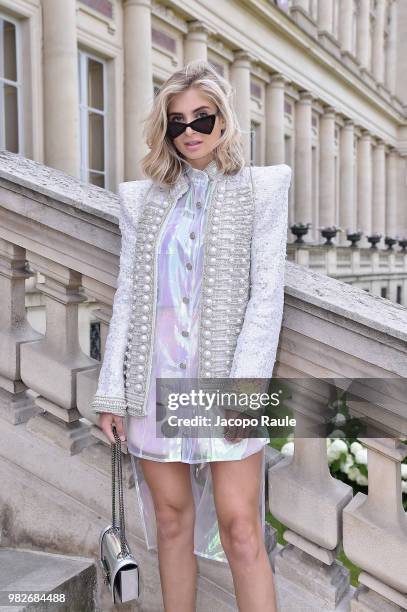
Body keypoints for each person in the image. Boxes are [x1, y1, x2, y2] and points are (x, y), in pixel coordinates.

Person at [90, 60, 292, 612]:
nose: (190, 132)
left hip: (226, 384)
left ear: (224, 118)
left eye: (202, 117)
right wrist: (112, 393)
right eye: (176, 123)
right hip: (154, 380)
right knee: (173, 523)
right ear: (165, 130)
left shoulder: (263, 189)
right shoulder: (141, 199)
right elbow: (129, 297)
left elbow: (265, 297)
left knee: (241, 528)